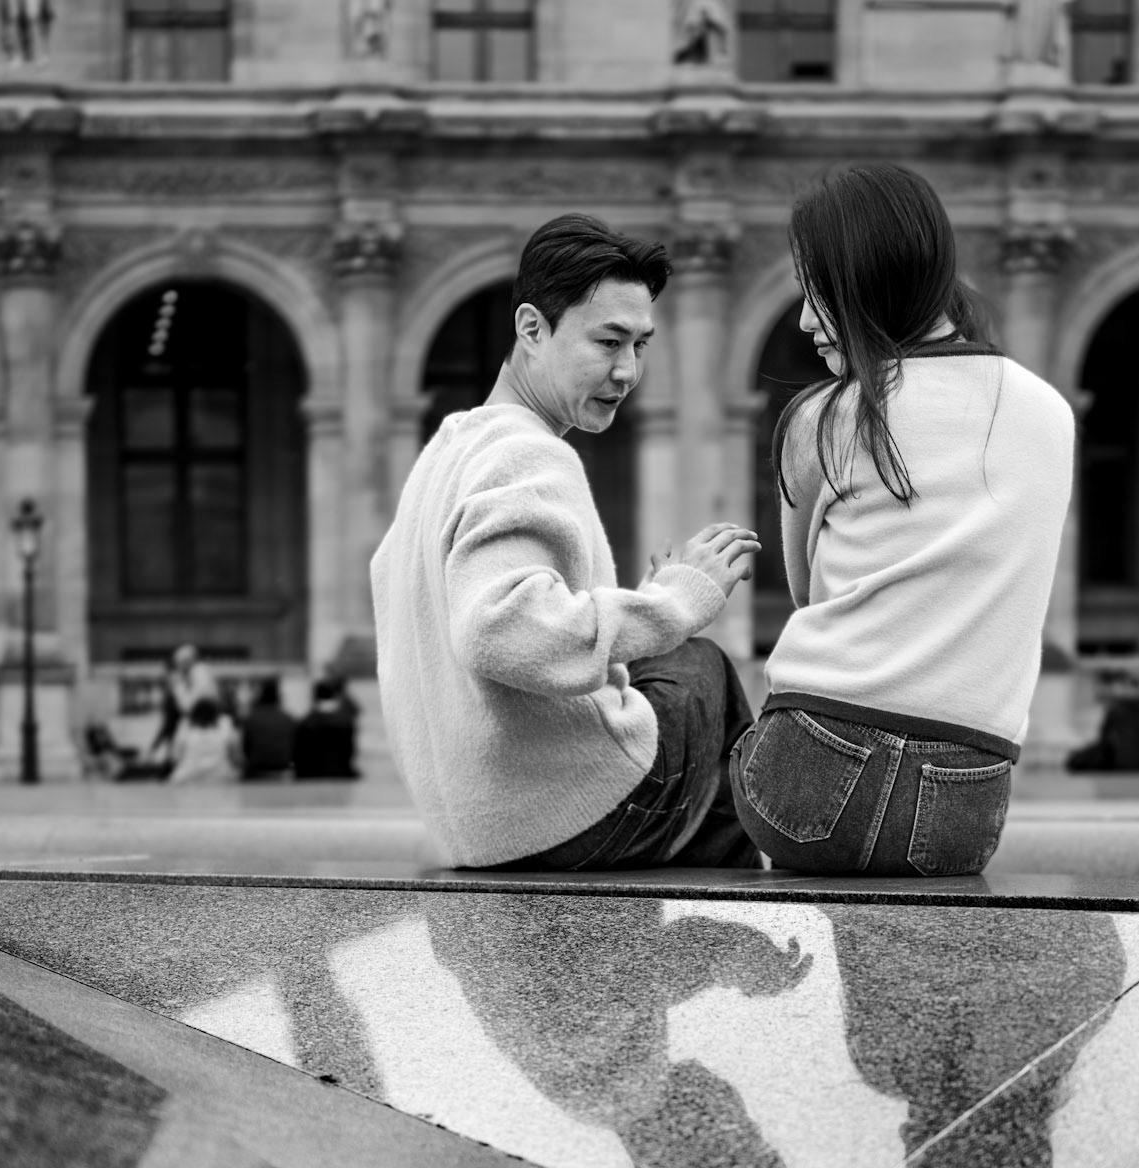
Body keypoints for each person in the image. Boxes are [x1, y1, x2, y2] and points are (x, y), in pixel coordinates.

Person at [370, 212, 762, 872]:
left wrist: (645, 608)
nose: (627, 371)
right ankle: (739, 903)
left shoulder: (446, 453)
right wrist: (674, 603)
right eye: (608, 342)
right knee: (702, 666)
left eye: (640, 345)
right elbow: (497, 627)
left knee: (670, 667)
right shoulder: (527, 453)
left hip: (474, 824)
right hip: (563, 815)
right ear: (532, 328)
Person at [730, 163, 1075, 876]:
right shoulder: (1049, 413)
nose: (805, 320)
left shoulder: (825, 417)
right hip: (963, 805)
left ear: (864, 280)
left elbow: (811, 593)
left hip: (801, 780)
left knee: (697, 677)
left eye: (816, 292)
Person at [293, 674, 360, 780]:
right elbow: (350, 751)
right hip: (341, 771)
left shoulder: (309, 720)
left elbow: (299, 752)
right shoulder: (344, 720)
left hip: (313, 772)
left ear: (315, 696)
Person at [169, 693, 239, 783]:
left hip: (188, 776)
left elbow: (175, 756)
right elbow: (235, 755)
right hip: (221, 776)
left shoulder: (185, 724)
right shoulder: (226, 723)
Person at [239, 675, 297, 779]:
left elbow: (246, 748)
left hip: (257, 771)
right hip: (283, 769)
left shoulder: (252, 718)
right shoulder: (288, 719)